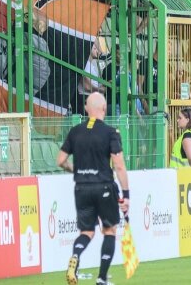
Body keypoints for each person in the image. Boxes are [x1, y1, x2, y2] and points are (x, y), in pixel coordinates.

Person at [57, 92, 129, 285]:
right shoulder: (110, 132)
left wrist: (76, 170)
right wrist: (126, 194)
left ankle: (76, 256)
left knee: (87, 232)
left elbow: (60, 160)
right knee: (109, 230)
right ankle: (102, 278)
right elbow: (119, 165)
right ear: (104, 108)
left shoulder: (75, 131)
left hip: (81, 188)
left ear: (86, 109)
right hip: (104, 186)